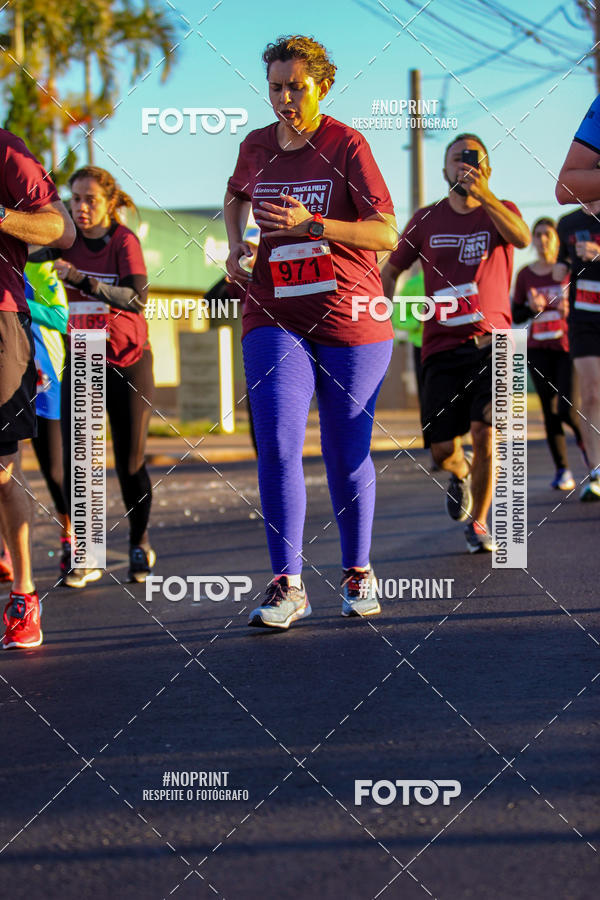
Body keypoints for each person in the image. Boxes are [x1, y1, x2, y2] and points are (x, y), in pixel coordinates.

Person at [224, 35, 397, 628]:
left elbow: (386, 235)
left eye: (296, 86)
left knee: (346, 452)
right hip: (273, 308)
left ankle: (357, 571)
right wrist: (233, 247)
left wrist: (314, 223)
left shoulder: (347, 144)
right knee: (274, 442)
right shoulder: (254, 146)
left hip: (350, 315)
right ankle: (287, 585)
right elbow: (235, 192)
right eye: (275, 86)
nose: (284, 97)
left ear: (322, 84)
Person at [381, 133, 530, 552]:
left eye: (474, 160)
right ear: (444, 169)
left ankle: (480, 523)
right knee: (443, 448)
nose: (464, 166)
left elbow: (521, 238)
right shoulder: (427, 219)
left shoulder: (502, 213)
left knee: (487, 433)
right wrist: (379, 314)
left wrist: (486, 196)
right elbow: (391, 270)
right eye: (456, 160)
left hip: (494, 342)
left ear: (486, 169)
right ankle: (459, 472)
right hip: (441, 346)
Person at [54, 166, 155, 585]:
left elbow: (137, 298)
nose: (81, 207)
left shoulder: (122, 240)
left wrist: (83, 281)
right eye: (75, 198)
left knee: (129, 463)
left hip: (129, 358)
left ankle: (139, 540)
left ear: (109, 202)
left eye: (90, 198)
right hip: (83, 354)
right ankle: (88, 554)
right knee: (81, 461)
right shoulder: (63, 241)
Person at [0, 127, 75, 650]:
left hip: (0, 318)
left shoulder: (6, 149)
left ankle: (24, 593)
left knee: (2, 469)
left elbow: (59, 228)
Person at [512, 218, 585, 490]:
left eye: (548, 235)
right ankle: (563, 470)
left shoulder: (568, 271)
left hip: (567, 347)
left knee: (568, 409)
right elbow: (516, 314)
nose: (543, 240)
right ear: (532, 239)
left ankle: (592, 455)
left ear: (558, 239)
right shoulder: (525, 275)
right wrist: (531, 308)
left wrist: (570, 310)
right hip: (538, 350)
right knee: (550, 411)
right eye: (538, 235)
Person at [556, 97, 600, 499]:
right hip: (585, 316)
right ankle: (596, 470)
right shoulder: (569, 223)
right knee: (589, 391)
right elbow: (557, 269)